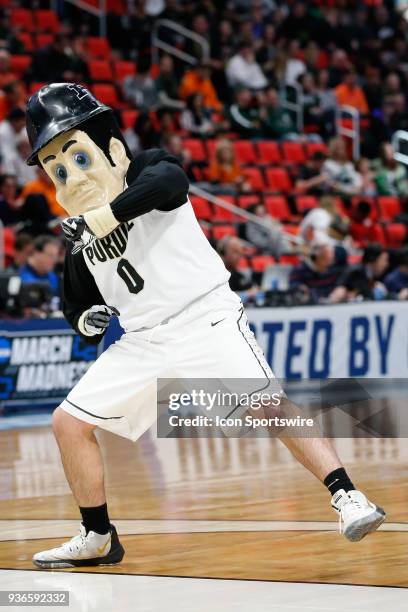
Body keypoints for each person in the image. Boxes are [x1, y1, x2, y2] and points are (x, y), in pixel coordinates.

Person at [25, 83, 384, 570]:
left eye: (76, 154)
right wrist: (84, 320)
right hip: (143, 339)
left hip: (204, 316)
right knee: (68, 422)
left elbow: (172, 184)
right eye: (57, 168)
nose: (69, 174)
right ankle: (97, 535)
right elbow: (78, 307)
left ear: (105, 141)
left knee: (267, 406)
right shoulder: (77, 229)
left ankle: (348, 496)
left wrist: (105, 217)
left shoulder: (148, 167)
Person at [290, 239, 347, 303]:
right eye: (327, 258)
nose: (331, 261)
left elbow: (340, 284)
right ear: (317, 257)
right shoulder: (300, 270)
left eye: (332, 258)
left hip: (332, 306)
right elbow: (295, 289)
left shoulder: (333, 268)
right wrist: (304, 291)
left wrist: (340, 289)